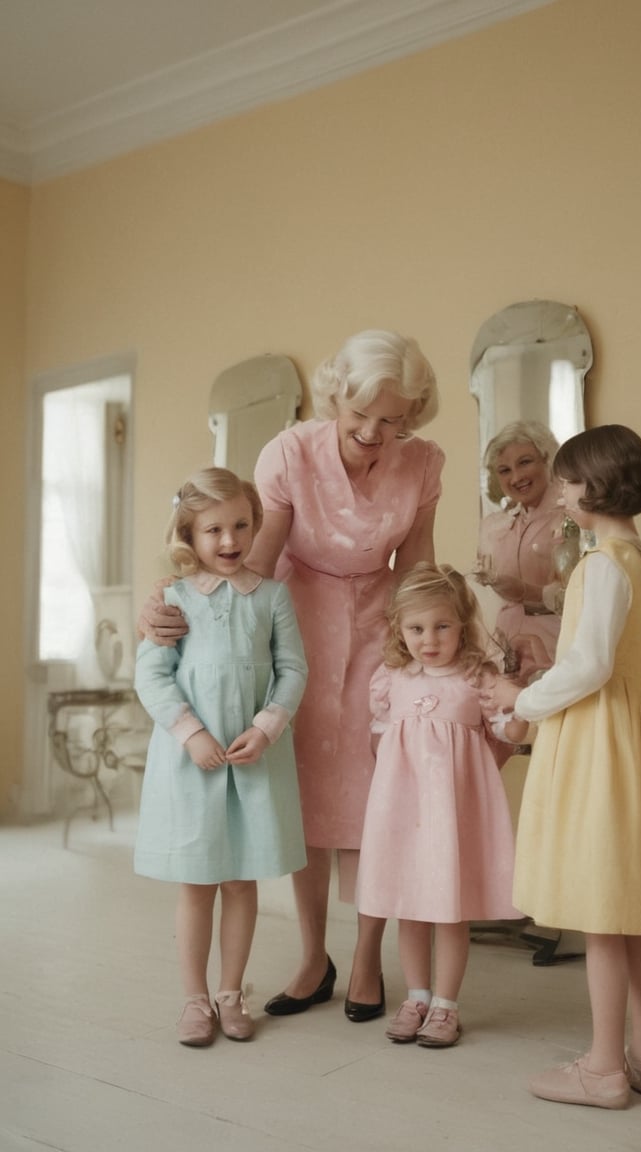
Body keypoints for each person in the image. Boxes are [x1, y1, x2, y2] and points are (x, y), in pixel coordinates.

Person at [139, 330, 444, 1022]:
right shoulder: (290, 453)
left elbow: (419, 568)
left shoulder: (423, 464)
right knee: (305, 794)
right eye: (361, 413)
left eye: (391, 418)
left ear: (412, 415)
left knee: (375, 795)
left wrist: (432, 650)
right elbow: (248, 563)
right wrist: (169, 603)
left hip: (379, 631)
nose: (373, 431)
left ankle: (368, 960)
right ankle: (315, 957)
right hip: (288, 626)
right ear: (337, 395)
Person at [479, 425, 641, 1108]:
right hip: (625, 730)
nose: (562, 494)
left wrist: (522, 697)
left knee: (603, 907)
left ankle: (604, 1068)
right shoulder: (629, 555)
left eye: (569, 483)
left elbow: (588, 665)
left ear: (597, 485)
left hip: (600, 737)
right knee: (630, 912)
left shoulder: (602, 565)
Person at [133, 467, 308, 1047]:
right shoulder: (173, 599)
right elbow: (152, 677)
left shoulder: (274, 597)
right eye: (213, 530)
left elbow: (292, 670)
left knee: (239, 881)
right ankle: (194, 999)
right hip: (193, 762)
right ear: (189, 534)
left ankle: (231, 992)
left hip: (251, 761)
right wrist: (190, 733)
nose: (230, 540)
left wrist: (266, 727)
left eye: (240, 525)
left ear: (256, 524)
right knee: (196, 883)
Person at [357, 563, 526, 1047]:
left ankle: (446, 1005)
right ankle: (417, 995)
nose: (428, 639)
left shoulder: (477, 678)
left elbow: (504, 732)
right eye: (415, 628)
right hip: (403, 814)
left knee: (450, 910)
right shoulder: (393, 677)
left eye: (441, 626)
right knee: (410, 906)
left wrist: (519, 721)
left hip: (452, 816)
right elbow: (379, 740)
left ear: (462, 625)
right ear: (399, 629)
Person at [474, 420, 569, 684]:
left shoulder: (570, 517)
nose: (516, 478)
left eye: (525, 462)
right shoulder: (494, 526)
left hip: (555, 644)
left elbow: (579, 596)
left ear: (546, 458)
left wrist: (527, 592)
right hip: (504, 644)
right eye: (504, 470)